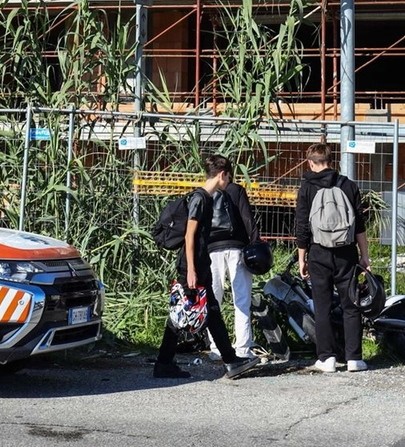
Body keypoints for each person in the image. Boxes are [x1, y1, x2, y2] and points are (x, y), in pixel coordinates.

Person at [154, 154, 261, 380]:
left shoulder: (206, 197)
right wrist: (191, 269)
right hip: (191, 266)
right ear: (222, 175)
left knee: (211, 311)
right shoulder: (201, 198)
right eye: (229, 177)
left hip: (200, 263)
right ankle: (164, 363)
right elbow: (190, 235)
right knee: (180, 314)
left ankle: (231, 360)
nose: (229, 182)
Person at [294, 143, 370, 373]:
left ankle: (326, 358)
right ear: (331, 161)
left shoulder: (307, 187)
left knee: (323, 305)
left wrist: (302, 257)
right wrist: (364, 255)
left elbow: (301, 225)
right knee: (351, 304)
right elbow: (359, 224)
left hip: (318, 252)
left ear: (311, 162)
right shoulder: (348, 185)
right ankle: (354, 358)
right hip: (346, 252)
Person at [206, 176, 289, 363]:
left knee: (214, 299)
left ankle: (215, 348)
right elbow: (247, 217)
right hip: (237, 248)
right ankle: (243, 347)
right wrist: (256, 242)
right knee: (241, 299)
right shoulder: (236, 190)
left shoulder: (205, 191)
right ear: (226, 173)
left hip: (212, 250)